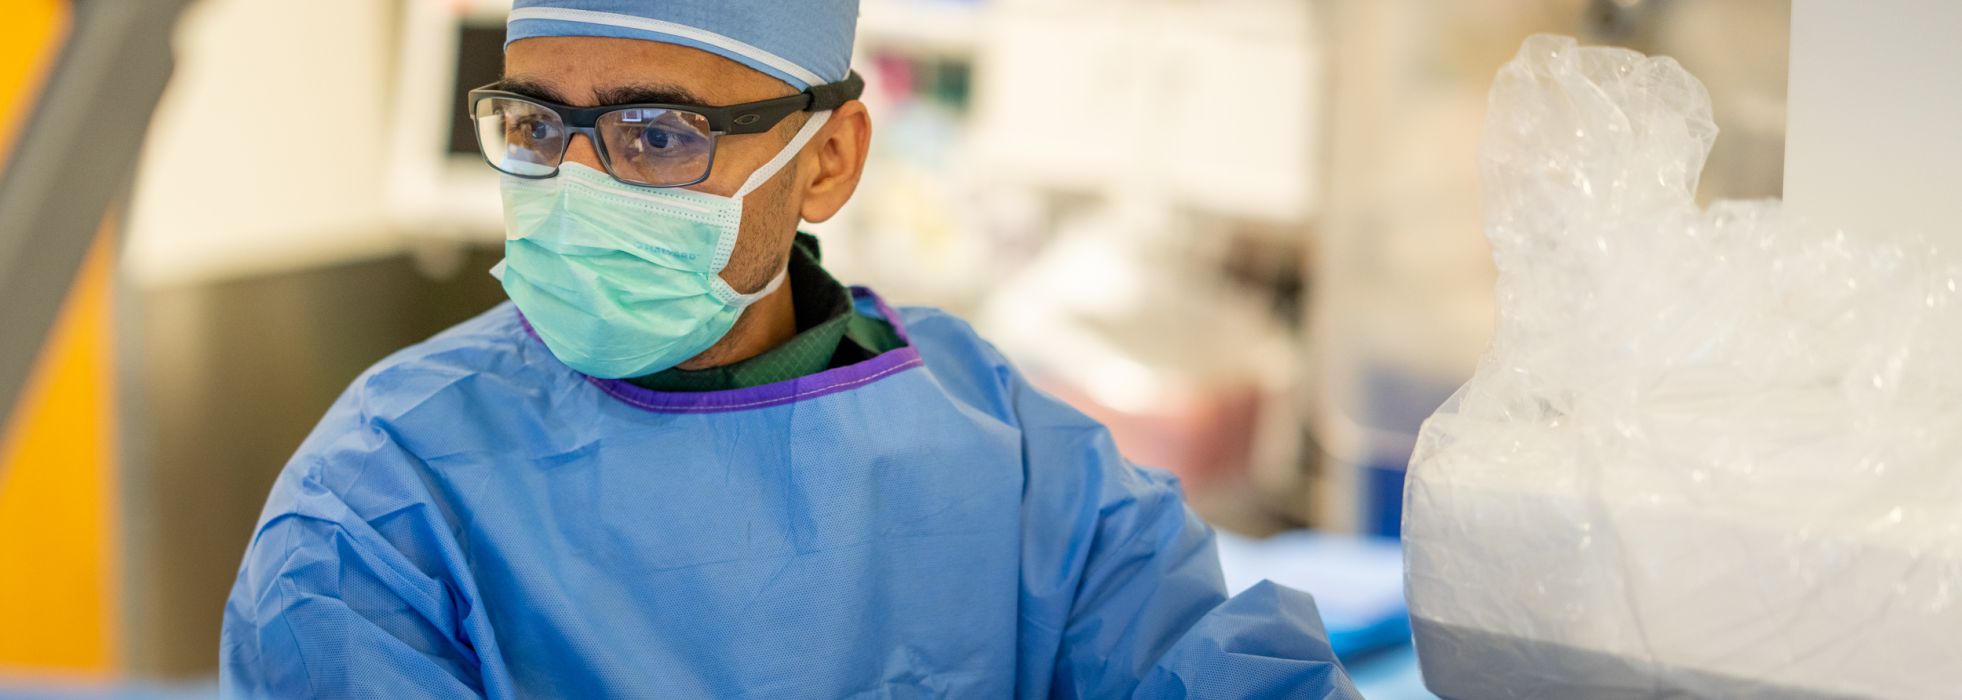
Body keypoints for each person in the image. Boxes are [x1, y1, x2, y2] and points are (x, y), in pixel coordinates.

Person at [219, 1, 1360, 697]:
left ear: (828, 160)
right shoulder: (381, 495)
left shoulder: (1008, 460)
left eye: (657, 136)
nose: (576, 186)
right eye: (535, 127)